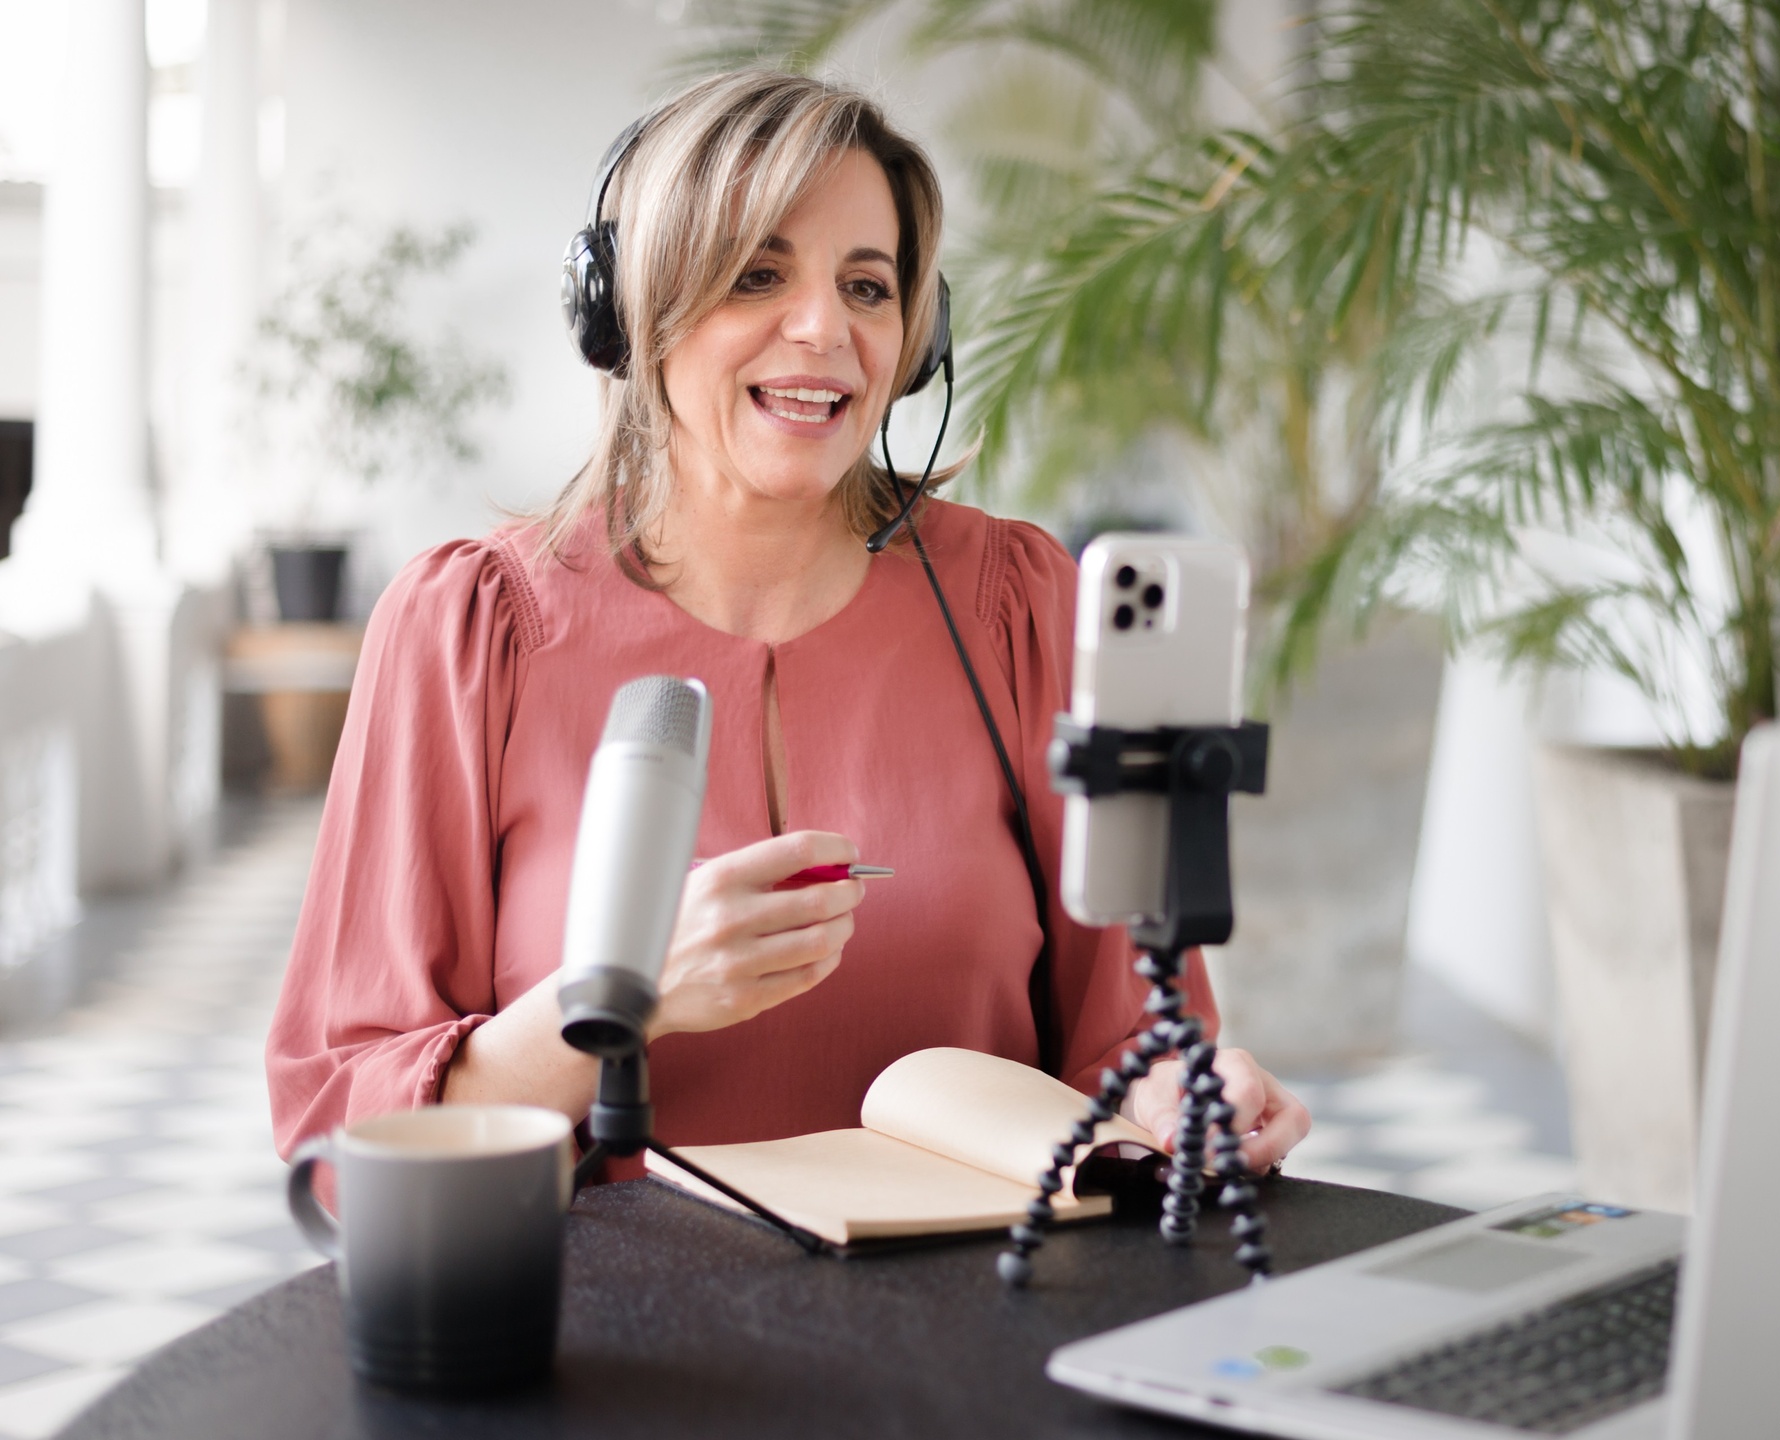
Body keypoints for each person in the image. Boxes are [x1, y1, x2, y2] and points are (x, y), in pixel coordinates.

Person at [265, 70, 1309, 1180]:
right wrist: (621, 990)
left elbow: (1135, 1035)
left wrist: (1184, 1096)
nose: (824, 328)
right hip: (608, 1292)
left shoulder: (1018, 606)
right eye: (757, 274)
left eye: (867, 287)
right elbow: (346, 1135)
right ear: (628, 311)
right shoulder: (471, 629)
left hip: (980, 1283)